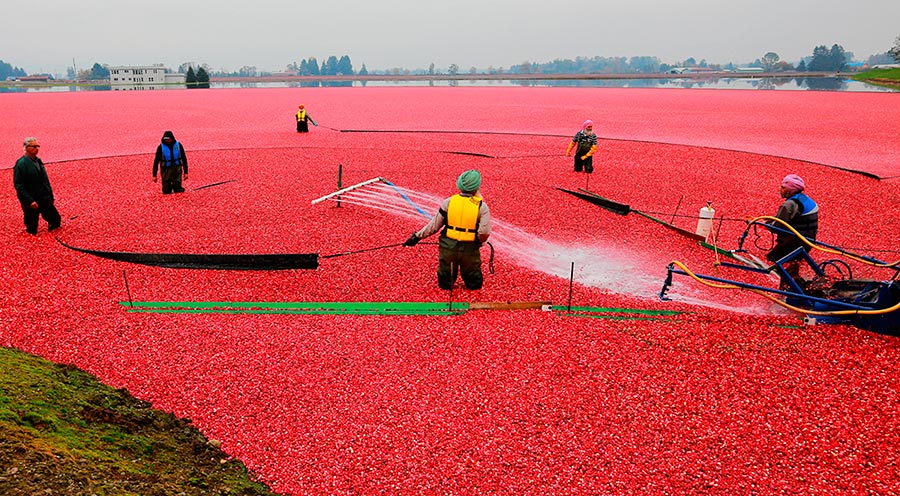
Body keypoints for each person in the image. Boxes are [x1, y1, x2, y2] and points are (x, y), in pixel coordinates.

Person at [404, 170, 492, 290]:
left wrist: (417, 237)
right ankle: (473, 292)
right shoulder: (481, 206)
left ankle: (446, 287)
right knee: (472, 275)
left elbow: (434, 226)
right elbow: (484, 232)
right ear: (477, 187)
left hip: (448, 245)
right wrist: (480, 241)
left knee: (445, 275)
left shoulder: (449, 202)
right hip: (470, 247)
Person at [766, 173, 819, 286]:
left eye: (783, 187)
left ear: (791, 190)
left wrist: (763, 224)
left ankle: (784, 281)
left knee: (773, 257)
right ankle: (793, 274)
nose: (780, 189)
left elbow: (777, 225)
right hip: (808, 240)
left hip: (795, 241)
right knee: (793, 260)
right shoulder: (805, 199)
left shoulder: (789, 204)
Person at [13, 137, 62, 235]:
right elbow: (19, 185)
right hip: (32, 200)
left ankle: (52, 232)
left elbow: (45, 180)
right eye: (34, 146)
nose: (37, 148)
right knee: (32, 226)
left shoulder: (38, 161)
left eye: (38, 146)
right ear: (26, 147)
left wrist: (50, 195)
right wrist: (29, 201)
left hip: (44, 197)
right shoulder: (21, 164)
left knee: (55, 219)